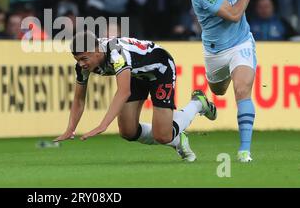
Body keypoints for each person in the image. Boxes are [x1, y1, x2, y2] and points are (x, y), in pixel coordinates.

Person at [55, 31, 218, 162]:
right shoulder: (84, 66)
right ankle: (177, 140)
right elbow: (79, 99)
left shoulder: (117, 55)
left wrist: (102, 125)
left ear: (97, 51)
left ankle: (198, 103)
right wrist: (71, 129)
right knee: (127, 131)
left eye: (84, 58)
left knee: (162, 136)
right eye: (78, 60)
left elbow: (123, 91)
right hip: (136, 74)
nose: (82, 64)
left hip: (160, 70)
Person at [189, 0, 283, 162]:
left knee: (242, 90)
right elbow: (234, 14)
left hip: (241, 43)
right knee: (218, 90)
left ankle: (244, 151)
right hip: (215, 52)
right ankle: (204, 103)